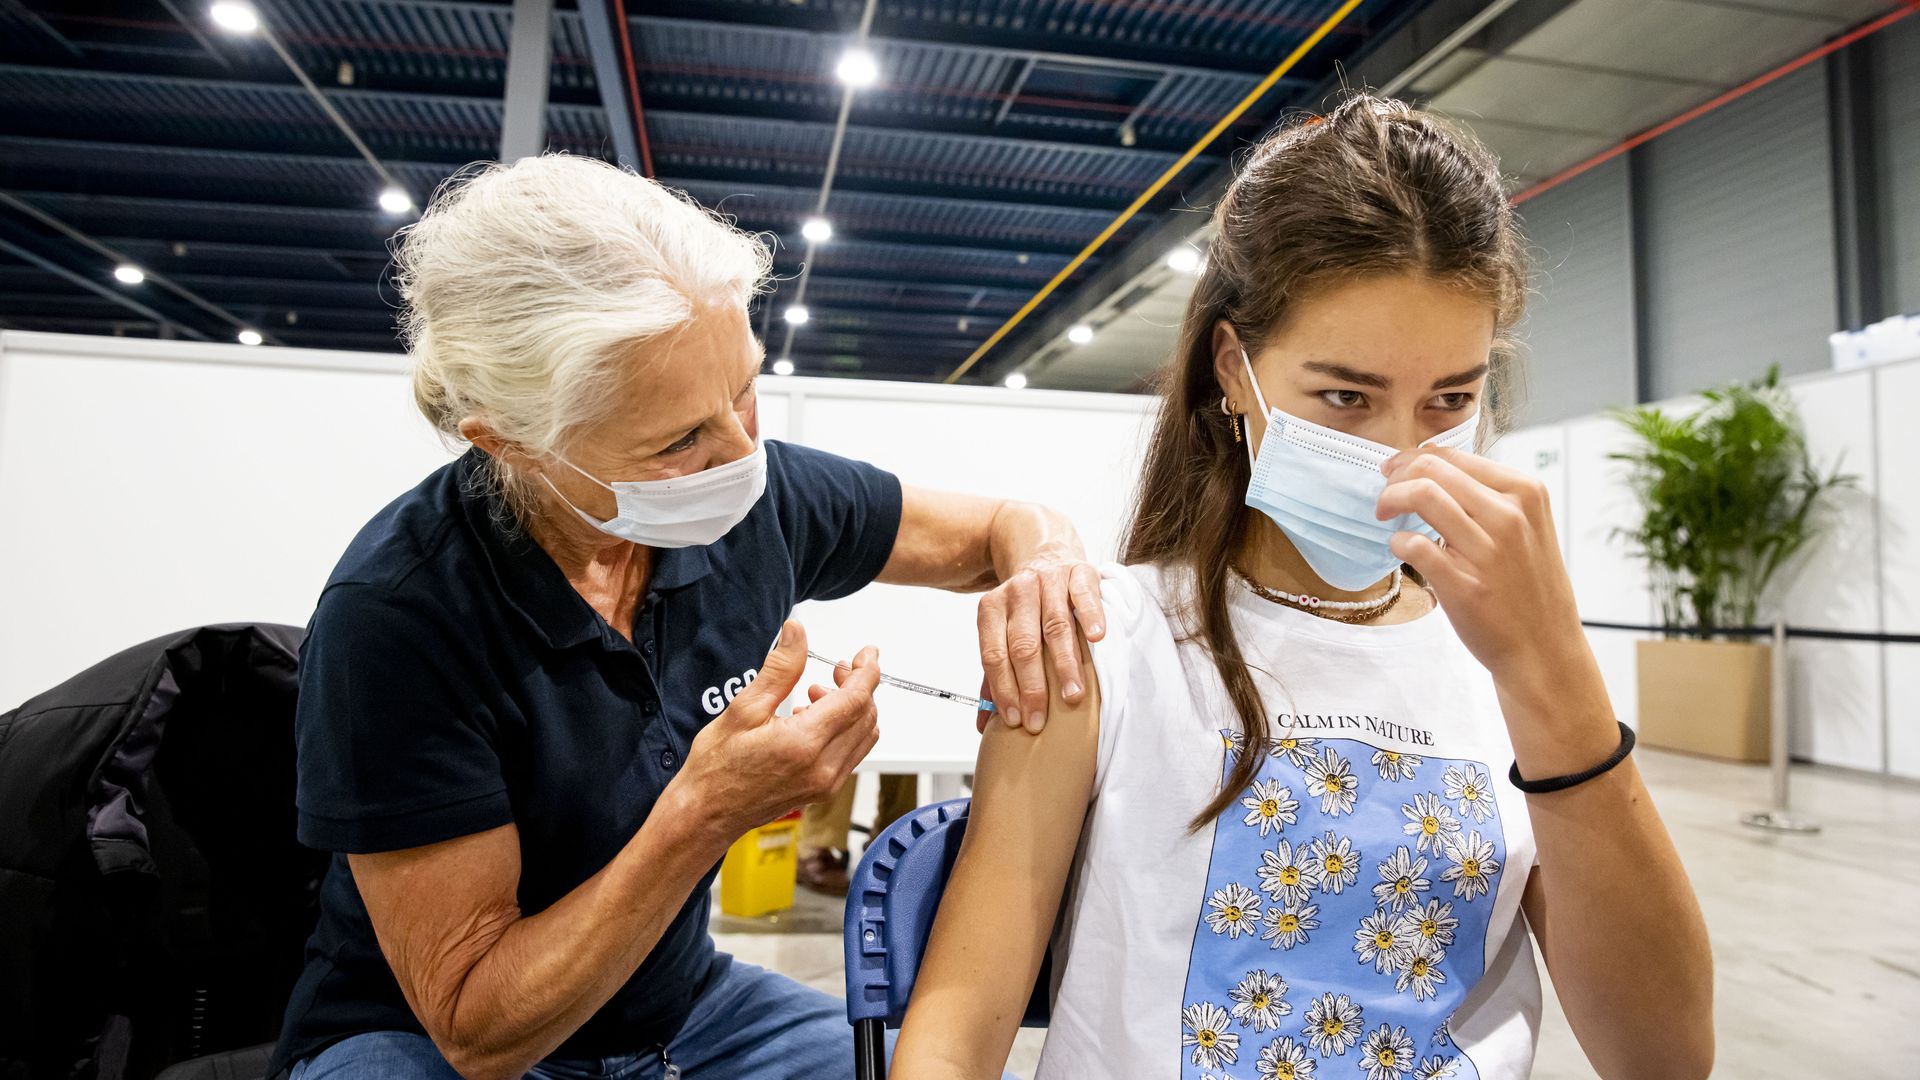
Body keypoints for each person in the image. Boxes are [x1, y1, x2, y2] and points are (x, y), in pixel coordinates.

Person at [892, 96, 1714, 1080]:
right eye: (1345, 398)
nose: (1401, 453)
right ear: (1233, 368)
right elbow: (958, 1027)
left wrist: (1554, 672)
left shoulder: (1504, 663)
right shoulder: (1105, 638)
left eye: (1450, 399)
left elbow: (1663, 1056)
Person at [270, 154, 1106, 1080]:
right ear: (511, 440)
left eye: (744, 386)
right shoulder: (398, 618)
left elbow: (997, 529)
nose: (741, 450)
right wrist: (706, 809)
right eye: (677, 440)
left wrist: (1044, 564)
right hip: (426, 1039)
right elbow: (479, 1028)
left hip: (683, 1009)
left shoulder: (758, 498)